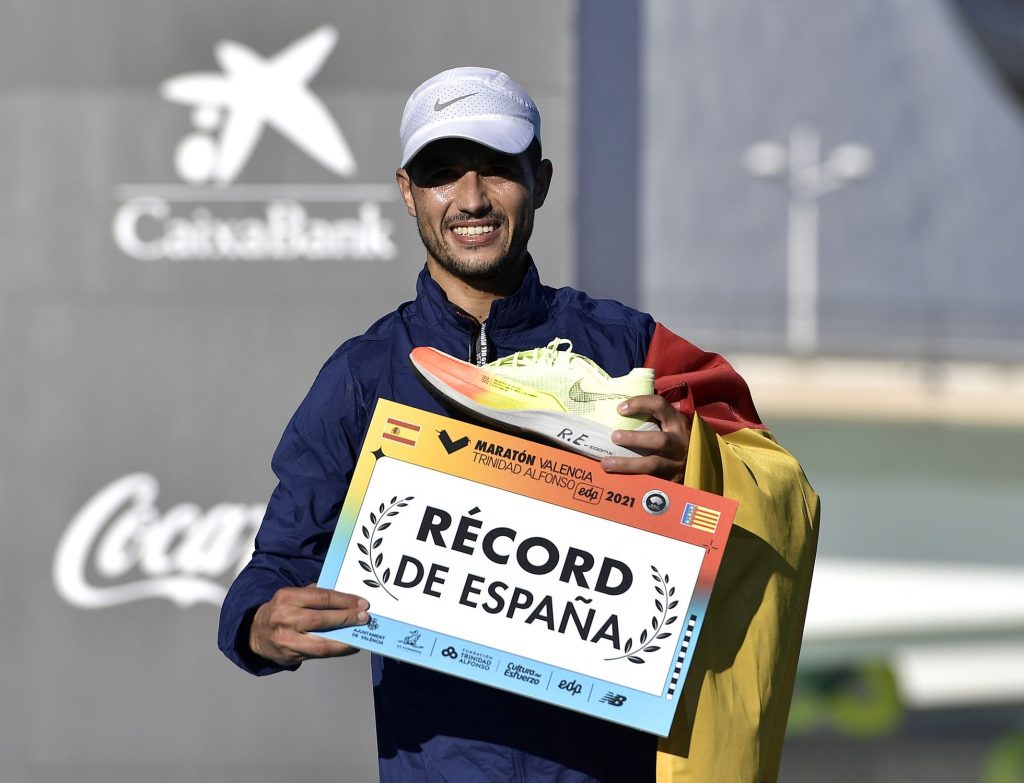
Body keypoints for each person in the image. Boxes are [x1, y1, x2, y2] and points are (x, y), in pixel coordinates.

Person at [219, 66, 819, 783]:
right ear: (408, 192)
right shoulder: (361, 375)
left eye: (497, 169)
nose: (470, 199)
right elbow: (277, 567)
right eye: (442, 173)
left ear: (540, 178)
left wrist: (694, 456)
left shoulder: (634, 349)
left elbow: (783, 490)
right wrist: (261, 625)